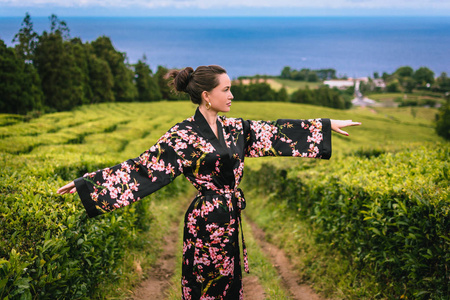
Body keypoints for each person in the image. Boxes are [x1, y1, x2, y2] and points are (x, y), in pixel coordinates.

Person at [57, 65, 361, 299]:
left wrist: (326, 125)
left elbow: (276, 132)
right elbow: (143, 169)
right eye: (226, 90)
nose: (232, 96)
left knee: (230, 283)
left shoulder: (235, 128)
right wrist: (89, 184)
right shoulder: (183, 136)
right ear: (207, 95)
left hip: (229, 217)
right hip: (205, 222)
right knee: (205, 285)